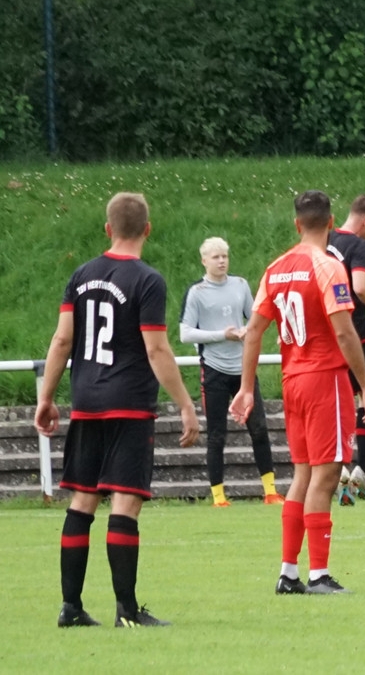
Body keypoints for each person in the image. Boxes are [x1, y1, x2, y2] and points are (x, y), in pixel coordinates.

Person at [35, 192, 200, 628]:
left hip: (87, 402)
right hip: (128, 404)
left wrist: (46, 398)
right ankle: (126, 611)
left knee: (82, 501)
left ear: (108, 229)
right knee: (125, 503)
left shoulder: (81, 275)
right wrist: (185, 404)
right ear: (147, 229)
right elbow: (157, 347)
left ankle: (70, 607)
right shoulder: (148, 280)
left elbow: (62, 341)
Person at [230, 190, 365, 595]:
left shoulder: (275, 268)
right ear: (331, 223)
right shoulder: (329, 266)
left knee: (301, 475)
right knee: (327, 474)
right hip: (325, 379)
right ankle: (318, 574)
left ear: (297, 224)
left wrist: (246, 388)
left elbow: (255, 331)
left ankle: (288, 572)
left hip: (291, 380)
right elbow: (345, 331)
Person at [179, 237, 283, 507]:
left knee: (259, 428)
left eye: (224, 256)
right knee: (217, 434)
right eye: (215, 257)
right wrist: (221, 335)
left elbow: (255, 316)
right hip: (213, 369)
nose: (221, 261)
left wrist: (248, 331)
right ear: (204, 261)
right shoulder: (197, 292)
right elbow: (185, 333)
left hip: (243, 369)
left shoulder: (240, 285)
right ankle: (218, 496)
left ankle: (270, 491)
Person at [326, 194, 365, 505]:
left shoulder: (326, 238)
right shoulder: (359, 246)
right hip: (356, 334)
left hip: (326, 334)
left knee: (337, 401)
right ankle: (360, 469)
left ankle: (338, 469)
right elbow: (361, 286)